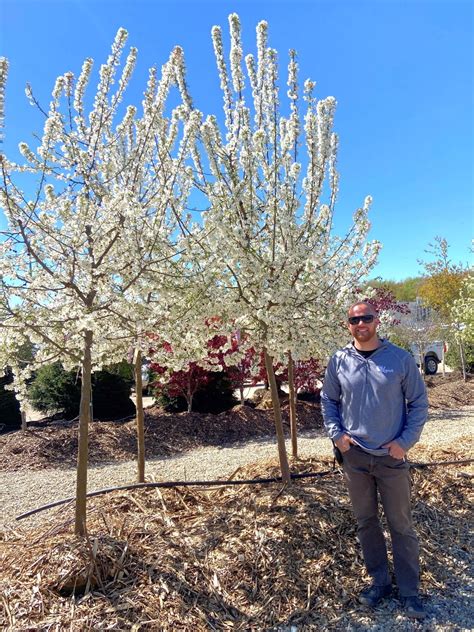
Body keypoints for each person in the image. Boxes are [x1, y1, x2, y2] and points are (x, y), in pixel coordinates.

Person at [321, 301, 428, 620]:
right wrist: (337, 436)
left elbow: (419, 403)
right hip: (354, 458)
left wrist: (405, 442)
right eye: (354, 319)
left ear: (377, 320)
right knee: (366, 522)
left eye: (366, 317)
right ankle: (379, 582)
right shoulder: (339, 360)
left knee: (401, 525)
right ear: (348, 324)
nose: (360, 323)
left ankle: (409, 592)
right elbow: (328, 400)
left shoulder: (399, 359)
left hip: (391, 458)